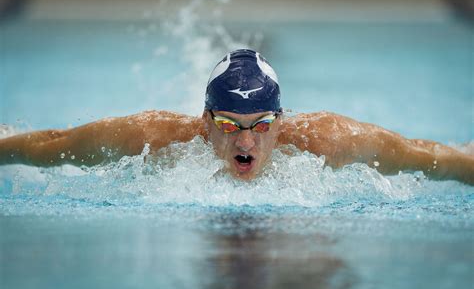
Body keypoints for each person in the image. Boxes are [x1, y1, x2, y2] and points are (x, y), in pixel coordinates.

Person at [0, 49, 473, 184]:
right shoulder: (155, 137)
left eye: (261, 125)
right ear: (204, 121)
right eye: (227, 125)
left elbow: (424, 156)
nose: (244, 143)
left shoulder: (328, 140)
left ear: (281, 122)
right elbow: (55, 144)